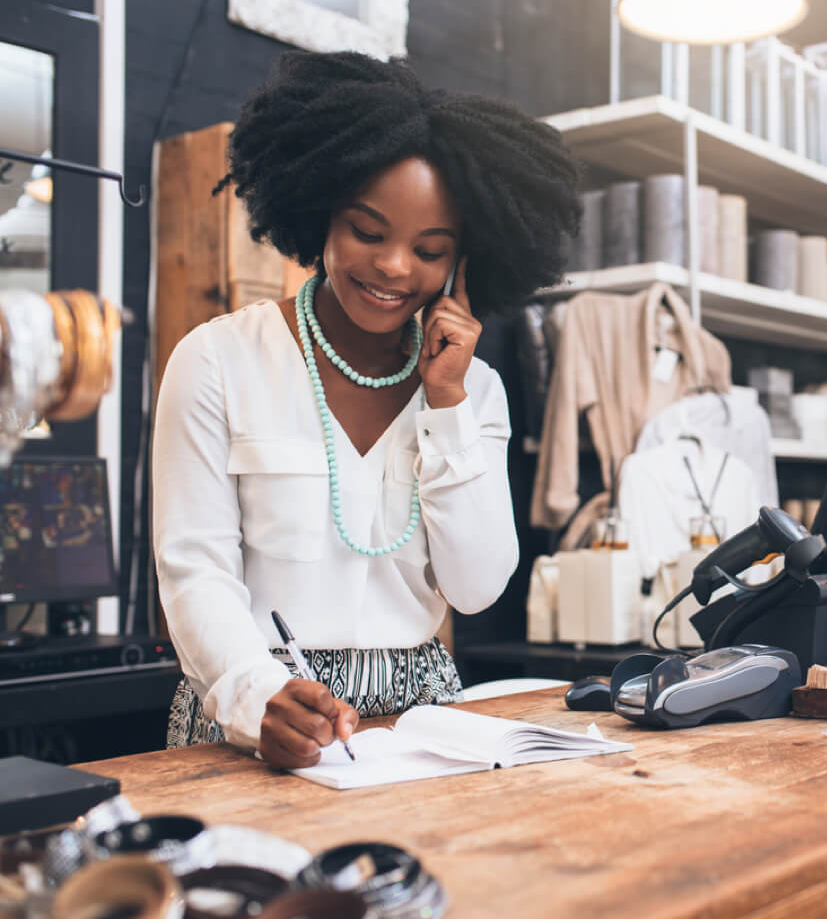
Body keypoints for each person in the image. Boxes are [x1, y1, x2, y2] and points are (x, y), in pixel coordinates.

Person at [152, 50, 581, 769]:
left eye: (430, 249)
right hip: (254, 713)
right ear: (320, 211)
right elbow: (195, 571)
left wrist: (446, 402)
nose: (393, 267)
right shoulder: (216, 361)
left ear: (463, 264)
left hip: (425, 725)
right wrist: (260, 696)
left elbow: (476, 590)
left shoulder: (476, 391)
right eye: (368, 231)